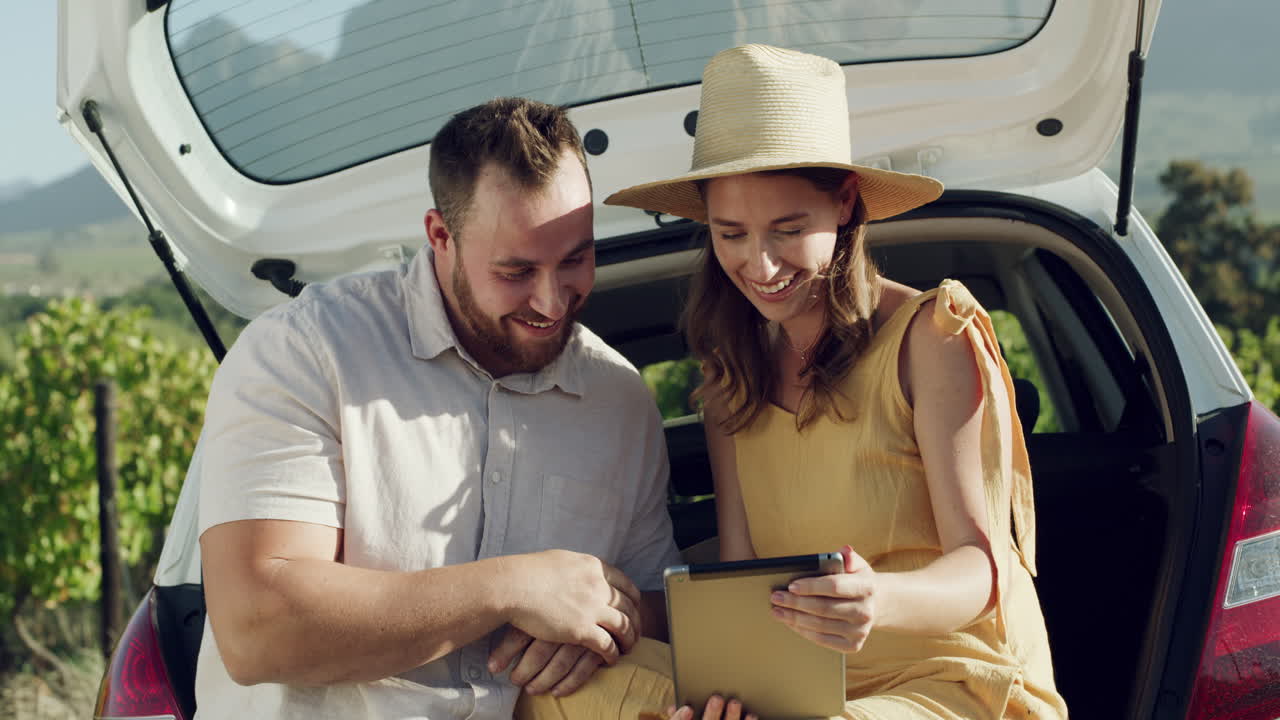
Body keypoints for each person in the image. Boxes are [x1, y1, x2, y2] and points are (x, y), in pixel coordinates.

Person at [539, 43, 1068, 720]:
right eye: (730, 233)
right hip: (800, 692)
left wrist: (878, 600)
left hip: (949, 685)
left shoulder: (934, 336)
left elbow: (981, 570)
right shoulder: (729, 376)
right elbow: (741, 580)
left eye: (788, 229)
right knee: (571, 685)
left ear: (846, 204)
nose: (758, 264)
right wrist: (720, 703)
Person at [193, 96, 681, 719]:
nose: (552, 300)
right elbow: (258, 628)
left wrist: (617, 619)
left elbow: (656, 602)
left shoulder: (619, 399)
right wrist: (512, 588)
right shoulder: (305, 351)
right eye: (517, 270)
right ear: (440, 236)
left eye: (575, 260)